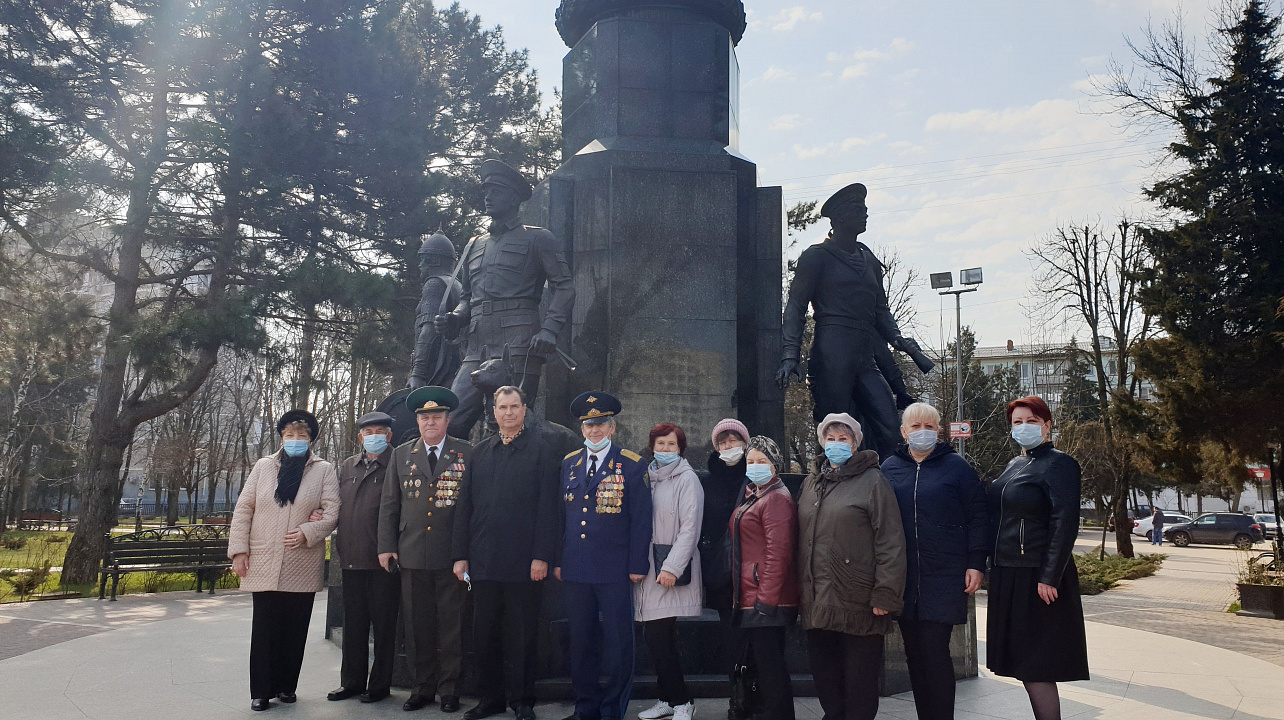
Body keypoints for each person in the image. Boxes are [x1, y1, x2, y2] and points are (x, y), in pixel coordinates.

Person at [776, 183, 930, 458]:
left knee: (890, 428)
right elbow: (796, 307)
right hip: (832, 353)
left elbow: (881, 311)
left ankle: (888, 487)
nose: (866, 215)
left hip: (865, 354)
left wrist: (895, 337)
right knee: (835, 430)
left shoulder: (868, 259)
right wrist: (790, 354)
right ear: (840, 217)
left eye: (866, 210)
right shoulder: (816, 257)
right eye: (860, 210)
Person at [433, 159, 575, 438]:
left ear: (513, 198)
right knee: (452, 421)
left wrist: (549, 330)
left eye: (495, 192)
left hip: (519, 343)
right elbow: (467, 297)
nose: (487, 198)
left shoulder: (538, 239)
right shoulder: (474, 244)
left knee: (509, 426)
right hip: (477, 346)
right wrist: (456, 318)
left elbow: (565, 286)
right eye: (486, 192)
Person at [451, 386, 562, 720]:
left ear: (525, 411)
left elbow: (548, 510)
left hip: (525, 563)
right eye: (503, 407)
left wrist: (542, 555)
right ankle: (490, 698)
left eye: (515, 407)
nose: (509, 413)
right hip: (483, 562)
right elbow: (464, 507)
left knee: (523, 634)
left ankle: (523, 699)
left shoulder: (542, 451)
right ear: (494, 412)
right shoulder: (480, 453)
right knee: (484, 634)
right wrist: (460, 555)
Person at [228, 409, 340, 712]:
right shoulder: (264, 466)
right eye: (289, 435)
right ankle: (261, 691)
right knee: (264, 628)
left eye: (301, 436)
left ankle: (287, 687)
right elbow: (244, 509)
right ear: (281, 436)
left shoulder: (323, 470)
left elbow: (332, 512)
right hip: (264, 557)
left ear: (310, 439)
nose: (294, 441)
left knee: (295, 627)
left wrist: (308, 530)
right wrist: (239, 549)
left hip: (301, 560)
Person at [881, 403, 987, 720]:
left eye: (929, 425)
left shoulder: (957, 467)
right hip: (904, 576)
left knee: (935, 650)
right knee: (913, 653)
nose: (922, 431)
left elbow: (978, 517)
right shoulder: (889, 468)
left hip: (944, 574)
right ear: (903, 432)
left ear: (938, 430)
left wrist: (976, 562)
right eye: (915, 426)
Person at [798, 413, 906, 720]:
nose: (835, 445)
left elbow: (890, 540)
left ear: (855, 444)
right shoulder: (811, 483)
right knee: (826, 680)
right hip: (818, 599)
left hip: (859, 600)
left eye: (843, 439)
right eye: (830, 439)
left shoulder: (873, 482)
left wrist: (886, 593)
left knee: (859, 686)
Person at [987, 396, 1088, 720]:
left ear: (1047, 424)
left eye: (1031, 421)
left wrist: (1049, 575)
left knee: (1037, 666)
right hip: (1010, 574)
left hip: (1036, 577)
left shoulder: (1059, 463)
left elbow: (1064, 521)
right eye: (1017, 422)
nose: (1023, 427)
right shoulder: (1015, 464)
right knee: (1024, 664)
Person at [555, 392, 653, 720]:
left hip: (614, 569)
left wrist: (638, 564)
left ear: (612, 426)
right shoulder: (570, 463)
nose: (593, 430)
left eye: (599, 424)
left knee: (618, 645)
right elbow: (560, 518)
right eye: (587, 425)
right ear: (581, 428)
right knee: (581, 644)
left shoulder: (632, 464)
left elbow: (641, 520)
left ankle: (612, 710)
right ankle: (585, 708)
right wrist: (558, 560)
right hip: (575, 569)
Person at [378, 386, 472, 712]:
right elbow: (390, 504)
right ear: (418, 422)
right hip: (412, 551)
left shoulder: (466, 453)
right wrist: (386, 546)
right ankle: (422, 688)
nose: (430, 422)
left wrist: (466, 552)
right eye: (424, 417)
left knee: (451, 626)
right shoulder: (402, 455)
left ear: (448, 420)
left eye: (436, 417)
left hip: (452, 554)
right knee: (418, 627)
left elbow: (472, 507)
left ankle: (449, 690)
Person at [329, 412, 400, 705]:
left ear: (389, 436)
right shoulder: (348, 466)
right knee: (353, 625)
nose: (374, 436)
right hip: (351, 558)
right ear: (360, 437)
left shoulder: (398, 463)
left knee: (383, 626)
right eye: (369, 431)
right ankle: (352, 682)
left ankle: (380, 684)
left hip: (383, 560)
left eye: (380, 431)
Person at [635, 423, 704, 720]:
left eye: (671, 445)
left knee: (659, 638)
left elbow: (690, 528)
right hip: (647, 571)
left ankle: (683, 701)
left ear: (681, 449)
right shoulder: (645, 478)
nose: (665, 450)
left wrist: (672, 567)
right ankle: (666, 698)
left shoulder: (687, 479)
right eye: (660, 444)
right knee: (656, 637)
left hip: (668, 571)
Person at [729, 435, 798, 720]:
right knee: (763, 666)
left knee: (771, 671)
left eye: (762, 461)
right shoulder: (756, 494)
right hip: (752, 596)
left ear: (775, 465)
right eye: (751, 461)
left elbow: (778, 553)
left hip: (766, 601)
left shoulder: (776, 499)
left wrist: (765, 601)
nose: (755, 466)